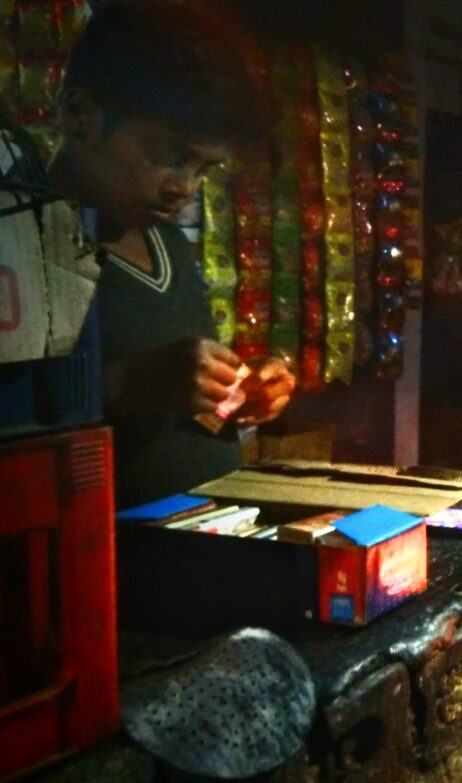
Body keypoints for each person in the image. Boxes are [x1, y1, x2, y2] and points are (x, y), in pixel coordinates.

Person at [47, 0, 295, 508]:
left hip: (206, 541)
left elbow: (179, 389)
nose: (184, 188)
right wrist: (126, 383)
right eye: (170, 155)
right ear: (81, 115)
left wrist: (239, 391)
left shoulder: (168, 244)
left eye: (203, 169)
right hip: (108, 566)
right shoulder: (24, 239)